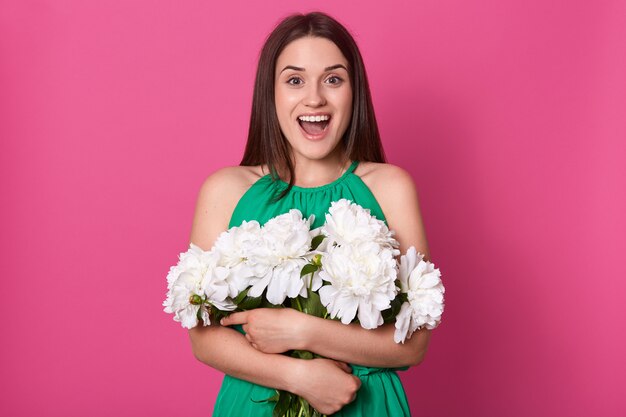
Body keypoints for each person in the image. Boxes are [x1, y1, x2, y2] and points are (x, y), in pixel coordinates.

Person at [187, 11, 432, 416]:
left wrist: (304, 330)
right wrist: (298, 377)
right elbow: (204, 338)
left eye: (333, 79)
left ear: (355, 92)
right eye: (295, 80)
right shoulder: (226, 191)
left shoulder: (390, 189)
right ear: (272, 93)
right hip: (256, 404)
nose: (314, 98)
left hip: (365, 403)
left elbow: (415, 342)